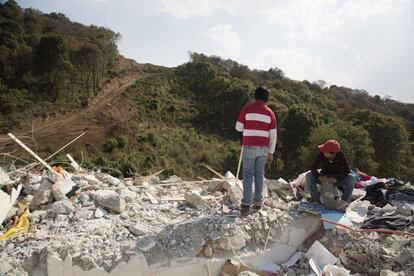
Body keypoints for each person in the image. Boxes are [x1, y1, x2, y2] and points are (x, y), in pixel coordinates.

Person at [235, 86, 277, 215]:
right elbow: (273, 135)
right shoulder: (270, 112)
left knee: (248, 174)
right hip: (263, 148)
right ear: (267, 99)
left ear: (255, 96)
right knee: (259, 174)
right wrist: (271, 152)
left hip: (249, 145)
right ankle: (258, 202)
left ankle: (246, 204)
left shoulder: (247, 108)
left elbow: (238, 128)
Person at [306, 139, 355, 210]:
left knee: (351, 178)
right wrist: (319, 176)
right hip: (324, 177)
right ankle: (315, 199)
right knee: (309, 175)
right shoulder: (321, 155)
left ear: (332, 153)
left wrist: (337, 179)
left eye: (325, 151)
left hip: (336, 178)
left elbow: (347, 170)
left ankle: (344, 201)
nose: (323, 152)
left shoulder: (341, 156)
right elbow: (313, 167)